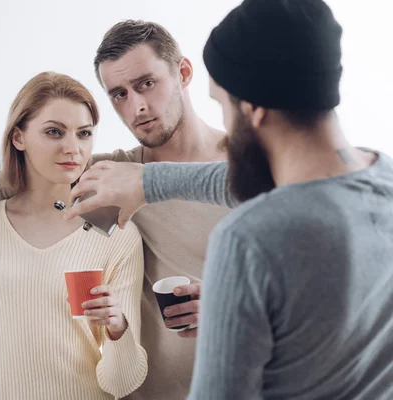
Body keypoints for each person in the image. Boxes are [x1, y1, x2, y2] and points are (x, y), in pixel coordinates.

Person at [62, 0, 393, 398]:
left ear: (252, 107)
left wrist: (230, 311)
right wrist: (150, 181)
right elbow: (259, 183)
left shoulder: (247, 239)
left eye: (222, 104)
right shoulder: (384, 178)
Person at [0, 21, 229, 399]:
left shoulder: (252, 172)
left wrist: (232, 309)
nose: (136, 106)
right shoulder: (109, 179)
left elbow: (306, 291)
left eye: (147, 83)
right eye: (118, 94)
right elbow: (3, 185)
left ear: (183, 72)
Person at [0, 71, 147, 400]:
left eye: (83, 134)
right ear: (18, 138)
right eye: (54, 132)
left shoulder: (117, 235)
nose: (72, 148)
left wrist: (118, 328)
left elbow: (120, 384)